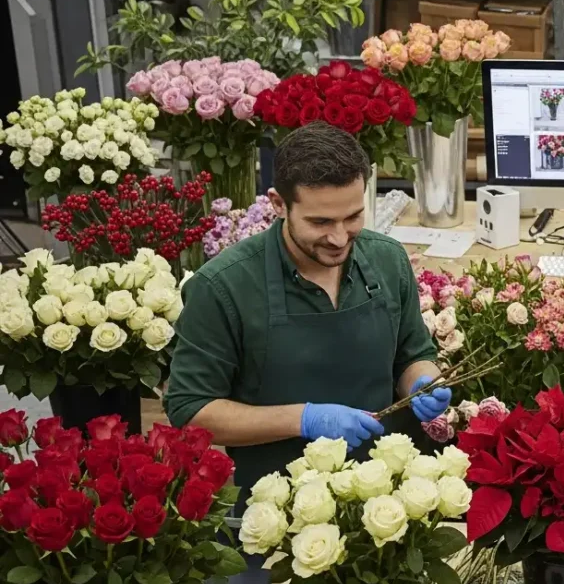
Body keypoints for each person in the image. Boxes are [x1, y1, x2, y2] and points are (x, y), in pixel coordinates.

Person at [164, 121, 451, 498]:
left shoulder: (386, 259)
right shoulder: (223, 287)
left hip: (390, 494)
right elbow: (191, 411)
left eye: (352, 217)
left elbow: (413, 354)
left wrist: (423, 381)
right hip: (281, 503)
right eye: (320, 221)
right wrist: (304, 419)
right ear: (278, 204)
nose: (338, 237)